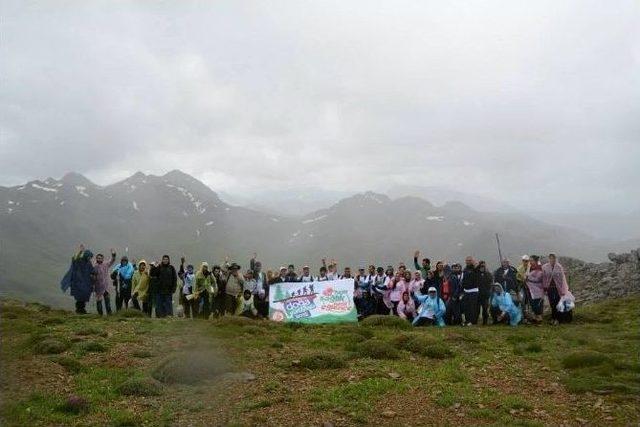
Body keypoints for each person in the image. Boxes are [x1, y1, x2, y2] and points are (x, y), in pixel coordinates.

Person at [60, 244, 95, 314]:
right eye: (89, 256)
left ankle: (82, 310)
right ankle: (79, 310)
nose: (89, 258)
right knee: (79, 297)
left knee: (84, 296)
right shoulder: (79, 261)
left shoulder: (89, 263)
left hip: (86, 283)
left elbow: (92, 271)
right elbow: (75, 258)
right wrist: (81, 251)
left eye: (90, 257)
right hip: (78, 282)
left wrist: (93, 276)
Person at [542, 253, 573, 324]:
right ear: (549, 258)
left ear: (555, 259)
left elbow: (562, 278)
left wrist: (564, 289)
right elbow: (544, 278)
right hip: (549, 288)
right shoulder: (545, 267)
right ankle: (553, 318)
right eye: (551, 258)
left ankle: (557, 319)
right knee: (552, 303)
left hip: (557, 288)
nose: (552, 259)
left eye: (553, 258)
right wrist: (544, 287)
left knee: (557, 303)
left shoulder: (559, 267)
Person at [92, 249, 116, 316]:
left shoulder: (106, 264)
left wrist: (113, 254)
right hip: (98, 286)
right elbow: (91, 276)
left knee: (107, 301)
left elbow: (112, 260)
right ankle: (100, 315)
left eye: (100, 258)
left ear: (103, 259)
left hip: (106, 287)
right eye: (98, 258)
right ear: (96, 259)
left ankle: (109, 314)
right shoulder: (94, 266)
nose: (99, 259)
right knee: (99, 301)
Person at [526, 255, 545, 324]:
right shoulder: (530, 268)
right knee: (532, 303)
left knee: (537, 303)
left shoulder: (539, 268)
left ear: (536, 261)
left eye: (532, 260)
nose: (530, 262)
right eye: (530, 260)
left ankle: (539, 318)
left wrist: (528, 278)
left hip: (538, 289)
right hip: (530, 289)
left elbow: (538, 278)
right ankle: (535, 317)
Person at [477, 260, 494, 325]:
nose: (482, 267)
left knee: (485, 309)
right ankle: (476, 321)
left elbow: (491, 283)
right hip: (478, 294)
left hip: (485, 295)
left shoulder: (488, 274)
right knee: (477, 309)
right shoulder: (477, 274)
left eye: (483, 266)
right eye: (481, 266)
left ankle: (485, 322)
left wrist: (488, 291)